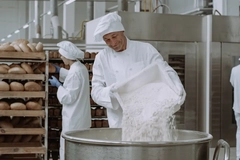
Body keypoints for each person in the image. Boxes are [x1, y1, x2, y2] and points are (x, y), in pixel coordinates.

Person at [91, 12, 186, 128]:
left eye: (114, 36)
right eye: (107, 40)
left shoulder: (145, 50)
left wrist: (176, 85)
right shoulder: (102, 58)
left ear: (122, 31)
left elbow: (164, 70)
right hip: (120, 122)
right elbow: (95, 91)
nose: (113, 43)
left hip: (148, 118)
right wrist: (110, 91)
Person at [49, 41, 91, 160]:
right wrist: (59, 70)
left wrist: (58, 86)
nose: (61, 57)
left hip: (74, 119)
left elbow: (68, 97)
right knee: (80, 150)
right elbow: (74, 78)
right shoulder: (80, 67)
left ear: (67, 56)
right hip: (81, 118)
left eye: (62, 55)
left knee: (70, 150)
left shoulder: (75, 72)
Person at [230, 64, 240, 160]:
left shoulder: (235, 70)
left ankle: (238, 156)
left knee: (239, 131)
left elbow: (232, 83)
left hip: (238, 106)